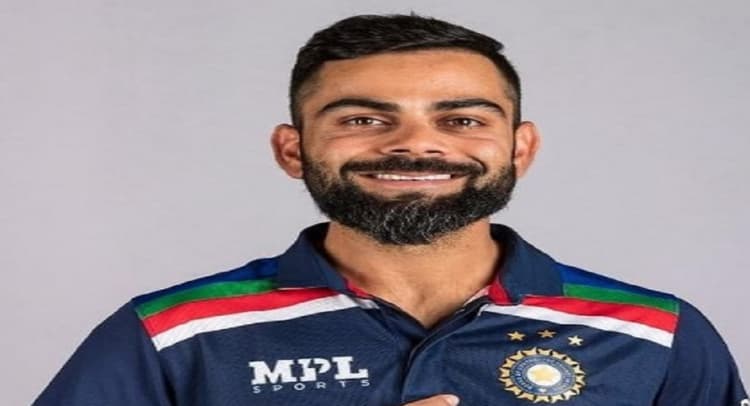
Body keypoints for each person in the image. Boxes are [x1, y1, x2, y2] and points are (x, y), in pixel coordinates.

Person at [34, 14, 747, 406]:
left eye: (462, 120)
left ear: (520, 148)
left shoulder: (656, 335)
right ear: (293, 149)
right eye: (363, 120)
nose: (415, 144)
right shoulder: (172, 335)